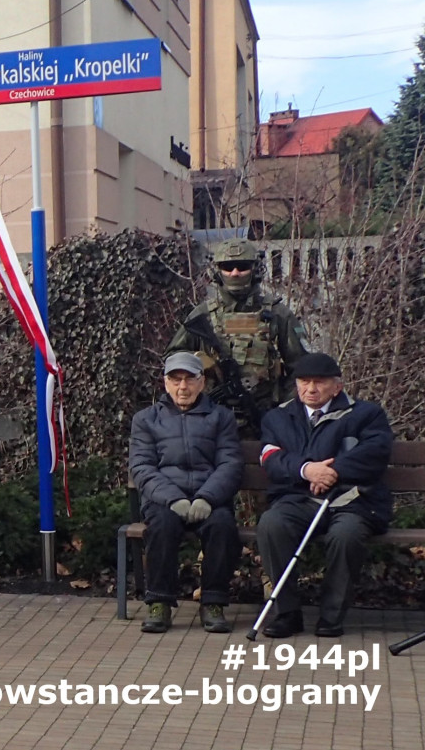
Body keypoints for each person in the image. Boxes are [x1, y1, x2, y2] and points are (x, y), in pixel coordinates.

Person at [256, 353, 393, 638]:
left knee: (346, 536)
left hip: (353, 500)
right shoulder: (279, 417)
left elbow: (375, 453)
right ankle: (287, 613)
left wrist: (332, 472)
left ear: (337, 386)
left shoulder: (366, 414)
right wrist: (307, 470)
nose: (311, 389)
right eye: (304, 382)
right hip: (299, 498)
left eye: (319, 382)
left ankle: (331, 617)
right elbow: (271, 457)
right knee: (272, 524)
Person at [128, 352, 242, 633]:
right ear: (165, 383)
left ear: (201, 382)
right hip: (165, 500)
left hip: (209, 498)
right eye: (175, 379)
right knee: (162, 527)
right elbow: (142, 467)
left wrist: (207, 497)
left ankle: (213, 602)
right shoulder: (146, 420)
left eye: (189, 379)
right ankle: (159, 602)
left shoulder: (221, 417)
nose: (183, 387)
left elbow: (230, 463)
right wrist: (173, 498)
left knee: (222, 526)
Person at [168, 239, 309, 436]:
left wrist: (282, 408)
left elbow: (303, 367)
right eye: (228, 267)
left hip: (263, 413)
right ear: (218, 271)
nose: (235, 273)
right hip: (210, 415)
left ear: (254, 269)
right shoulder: (203, 315)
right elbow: (174, 359)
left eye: (242, 267)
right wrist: (202, 362)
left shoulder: (277, 313)